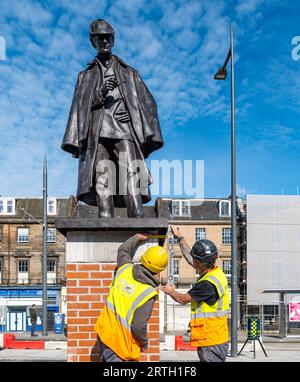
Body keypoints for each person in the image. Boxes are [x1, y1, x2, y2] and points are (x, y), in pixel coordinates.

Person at [61, 19, 163, 218]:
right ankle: (105, 217)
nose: (105, 41)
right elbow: (79, 107)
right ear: (93, 41)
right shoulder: (85, 76)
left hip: (124, 129)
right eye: (100, 38)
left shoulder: (129, 72)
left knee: (131, 172)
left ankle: (137, 216)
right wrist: (99, 94)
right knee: (102, 176)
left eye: (108, 37)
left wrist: (133, 118)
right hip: (97, 132)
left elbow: (147, 103)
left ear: (113, 40)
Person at [94, 233, 168, 362]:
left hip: (103, 332)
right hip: (119, 345)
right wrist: (144, 343)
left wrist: (137, 237)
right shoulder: (147, 293)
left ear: (144, 259)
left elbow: (123, 249)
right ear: (159, 270)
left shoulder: (125, 269)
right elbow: (138, 326)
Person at [160, 227, 229, 362]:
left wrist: (169, 291)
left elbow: (183, 299)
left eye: (195, 259)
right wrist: (179, 237)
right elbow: (190, 258)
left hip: (211, 340)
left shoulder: (207, 284)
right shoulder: (215, 273)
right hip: (214, 337)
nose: (193, 261)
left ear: (200, 262)